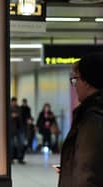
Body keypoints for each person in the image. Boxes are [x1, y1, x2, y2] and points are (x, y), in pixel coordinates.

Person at [58, 53, 103, 187]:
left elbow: (86, 171)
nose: (75, 85)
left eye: (75, 79)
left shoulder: (92, 118)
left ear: (87, 81)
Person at [10, 97, 26, 164]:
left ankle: (20, 158)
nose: (14, 103)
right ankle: (11, 158)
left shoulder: (19, 108)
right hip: (11, 129)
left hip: (19, 128)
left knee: (21, 144)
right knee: (11, 144)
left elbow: (22, 118)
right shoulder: (9, 108)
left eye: (15, 102)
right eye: (13, 102)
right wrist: (12, 116)